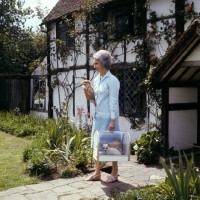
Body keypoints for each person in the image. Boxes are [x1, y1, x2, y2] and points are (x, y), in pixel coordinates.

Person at [83, 50, 120, 183]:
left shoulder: (113, 81)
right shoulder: (96, 80)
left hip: (109, 118)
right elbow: (96, 100)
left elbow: (113, 102)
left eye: (96, 63)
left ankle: (114, 173)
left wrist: (113, 121)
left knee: (112, 145)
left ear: (104, 63)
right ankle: (97, 173)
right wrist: (90, 96)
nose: (94, 66)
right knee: (97, 145)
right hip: (98, 117)